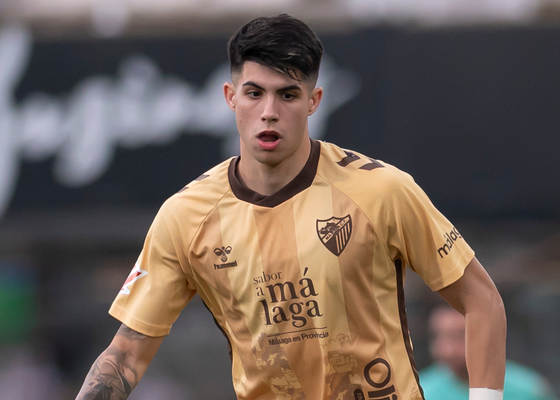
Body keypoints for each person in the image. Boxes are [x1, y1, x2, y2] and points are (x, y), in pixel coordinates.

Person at [75, 14, 507, 400]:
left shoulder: (382, 190)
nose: (269, 112)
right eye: (254, 93)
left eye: (287, 95)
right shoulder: (185, 216)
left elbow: (482, 300)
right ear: (230, 96)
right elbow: (126, 355)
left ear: (314, 101)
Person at [420, 306, 557, 400]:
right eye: (439, 337)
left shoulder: (528, 390)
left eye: (460, 337)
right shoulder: (421, 391)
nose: (447, 350)